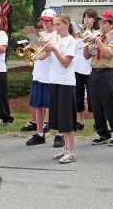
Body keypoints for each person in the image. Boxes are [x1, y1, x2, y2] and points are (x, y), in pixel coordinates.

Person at [84, 11, 113, 146]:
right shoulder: (99, 36)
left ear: (111, 24)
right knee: (96, 103)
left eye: (104, 23)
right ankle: (103, 132)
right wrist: (85, 42)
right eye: (100, 22)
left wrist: (97, 40)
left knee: (110, 103)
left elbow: (108, 54)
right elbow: (87, 55)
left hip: (107, 73)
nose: (101, 25)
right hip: (94, 72)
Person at [25, 9, 65, 147]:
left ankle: (60, 134)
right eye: (43, 20)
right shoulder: (40, 34)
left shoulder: (57, 36)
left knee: (54, 106)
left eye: (47, 20)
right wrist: (33, 43)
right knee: (38, 105)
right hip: (38, 74)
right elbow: (34, 52)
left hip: (51, 76)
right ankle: (40, 134)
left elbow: (51, 52)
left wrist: (44, 44)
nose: (44, 23)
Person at [46, 13, 77, 163]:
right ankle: (66, 149)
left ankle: (71, 152)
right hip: (55, 80)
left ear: (66, 24)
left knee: (67, 118)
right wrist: (43, 47)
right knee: (59, 117)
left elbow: (65, 62)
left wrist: (54, 50)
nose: (55, 27)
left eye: (58, 24)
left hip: (66, 82)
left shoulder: (71, 41)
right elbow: (42, 57)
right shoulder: (55, 39)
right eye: (54, 24)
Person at [74, 9, 99, 131]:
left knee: (92, 96)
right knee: (77, 95)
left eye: (89, 17)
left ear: (94, 19)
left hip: (90, 69)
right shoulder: (77, 32)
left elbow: (94, 50)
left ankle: (96, 121)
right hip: (77, 68)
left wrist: (87, 38)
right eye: (85, 17)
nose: (86, 19)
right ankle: (80, 121)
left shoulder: (98, 33)